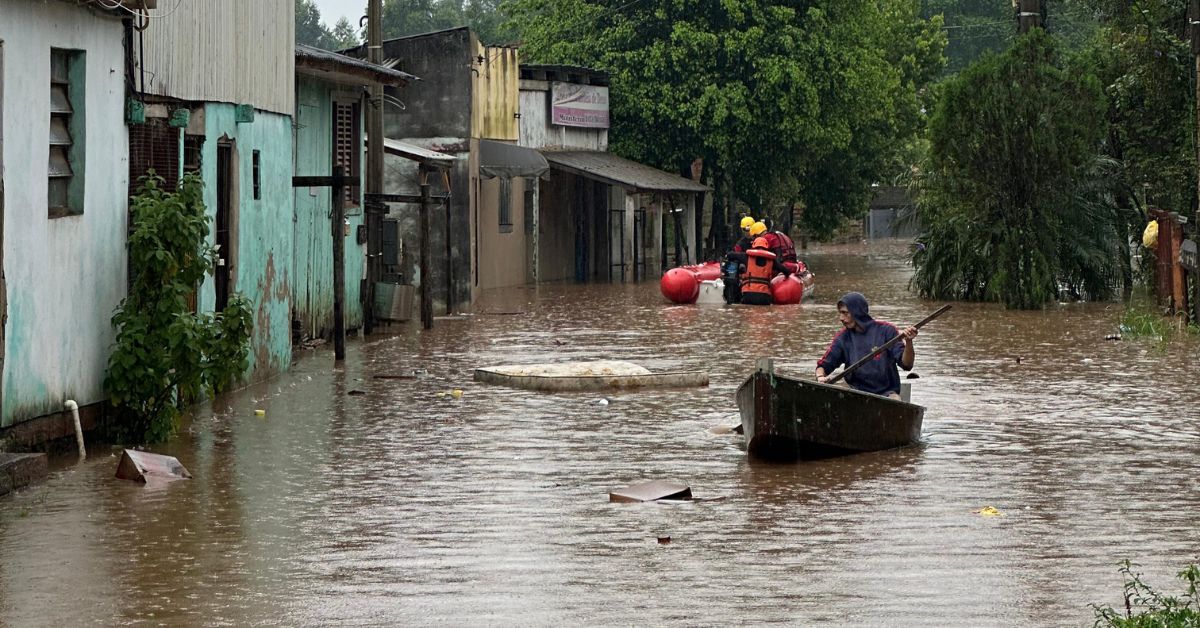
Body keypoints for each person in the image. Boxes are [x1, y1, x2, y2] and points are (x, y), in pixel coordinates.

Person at [815, 292, 917, 398]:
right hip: (856, 394)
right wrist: (821, 377)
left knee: (895, 399)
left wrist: (909, 342)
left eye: (845, 313)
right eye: (840, 313)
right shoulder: (843, 338)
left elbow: (907, 364)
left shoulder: (887, 331)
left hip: (887, 394)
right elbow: (823, 365)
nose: (841, 318)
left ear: (857, 312)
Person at [738, 236, 789, 305]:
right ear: (766, 247)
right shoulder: (772, 261)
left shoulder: (746, 257)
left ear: (753, 245)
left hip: (748, 296)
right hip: (764, 297)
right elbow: (786, 271)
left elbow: (730, 255)